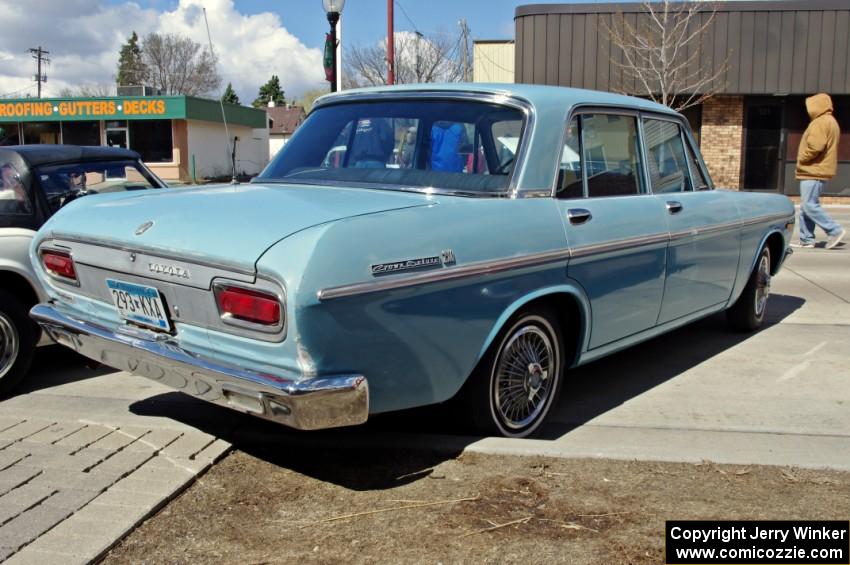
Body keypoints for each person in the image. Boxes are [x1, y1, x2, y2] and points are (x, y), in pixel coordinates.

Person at [794, 93, 845, 249]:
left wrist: (802, 157)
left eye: (810, 106)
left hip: (814, 170)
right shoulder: (830, 121)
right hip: (817, 170)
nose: (809, 110)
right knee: (806, 206)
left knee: (810, 205)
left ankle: (834, 230)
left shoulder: (820, 122)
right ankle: (806, 239)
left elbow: (816, 146)